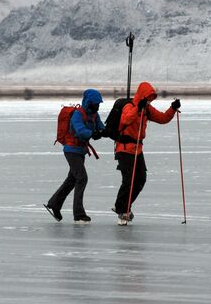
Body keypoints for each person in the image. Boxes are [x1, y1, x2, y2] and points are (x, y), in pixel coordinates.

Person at [113, 82, 181, 225]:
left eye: (151, 98)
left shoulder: (147, 109)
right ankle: (122, 209)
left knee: (141, 179)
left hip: (137, 149)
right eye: (148, 98)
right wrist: (138, 107)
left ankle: (124, 207)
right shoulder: (129, 106)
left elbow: (162, 118)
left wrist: (172, 109)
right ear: (142, 95)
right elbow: (126, 119)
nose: (150, 100)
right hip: (124, 148)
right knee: (128, 180)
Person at [44, 89, 106, 224]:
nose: (98, 106)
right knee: (82, 178)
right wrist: (92, 133)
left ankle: (54, 203)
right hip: (71, 150)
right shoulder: (78, 115)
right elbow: (80, 130)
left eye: (99, 104)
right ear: (89, 103)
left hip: (81, 151)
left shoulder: (95, 115)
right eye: (96, 104)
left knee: (72, 179)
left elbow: (101, 128)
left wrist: (106, 132)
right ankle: (79, 214)